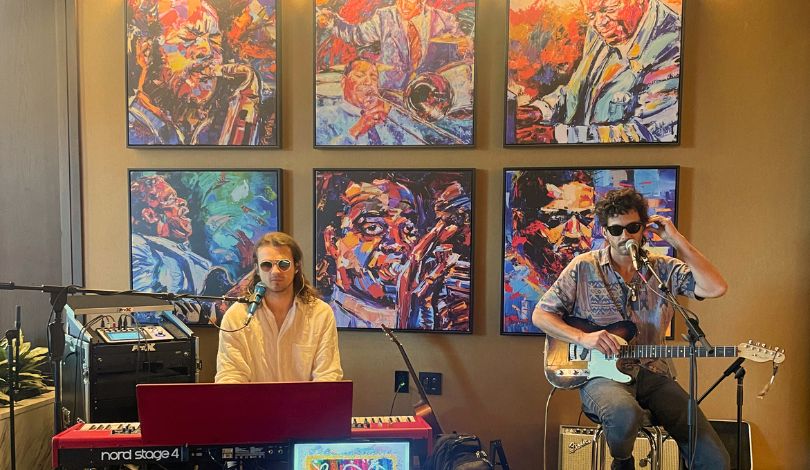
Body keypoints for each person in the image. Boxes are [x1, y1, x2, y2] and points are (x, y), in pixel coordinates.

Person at [532, 188, 730, 469]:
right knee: (624, 412)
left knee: (715, 459)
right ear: (605, 232)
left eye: (633, 228)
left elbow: (716, 287)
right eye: (616, 229)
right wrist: (583, 338)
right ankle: (622, 461)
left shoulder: (663, 269)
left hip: (655, 374)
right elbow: (541, 315)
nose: (625, 236)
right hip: (600, 376)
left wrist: (676, 239)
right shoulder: (584, 267)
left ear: (643, 229)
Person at [516, 0, 681, 144]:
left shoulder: (673, 44)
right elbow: (577, 90)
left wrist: (558, 135)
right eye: (591, 15)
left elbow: (647, 134)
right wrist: (540, 110)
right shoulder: (598, 29)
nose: (599, 23)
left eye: (607, 10)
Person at [216, 232, 343, 383]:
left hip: (305, 405)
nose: (275, 271)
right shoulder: (237, 316)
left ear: (296, 267)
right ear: (257, 269)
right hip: (252, 405)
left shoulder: (320, 313)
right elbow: (230, 376)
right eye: (266, 265)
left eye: (283, 264)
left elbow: (327, 376)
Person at [316, 0, 472, 90]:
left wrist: (466, 48)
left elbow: (461, 58)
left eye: (409, 0)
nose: (403, 6)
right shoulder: (384, 17)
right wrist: (332, 22)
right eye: (399, 0)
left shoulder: (444, 20)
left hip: (428, 94)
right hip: (389, 92)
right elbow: (357, 35)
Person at [130, 174, 215, 323]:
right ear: (150, 215)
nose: (182, 202)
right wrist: (213, 311)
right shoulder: (138, 247)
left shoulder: (177, 248)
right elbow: (145, 311)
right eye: (170, 199)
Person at [315, 58, 427, 145]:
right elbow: (322, 158)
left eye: (374, 78)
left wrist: (392, 117)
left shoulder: (390, 115)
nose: (369, 82)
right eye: (360, 75)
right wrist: (357, 130)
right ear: (343, 82)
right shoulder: (322, 116)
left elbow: (419, 146)